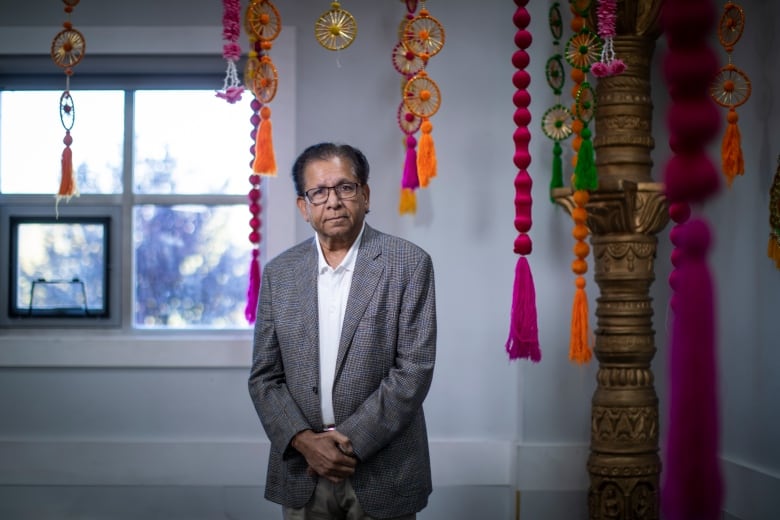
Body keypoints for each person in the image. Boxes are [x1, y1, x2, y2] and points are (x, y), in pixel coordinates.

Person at [248, 142, 437, 520]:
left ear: (365, 195)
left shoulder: (409, 263)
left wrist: (346, 443)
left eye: (345, 188)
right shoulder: (279, 274)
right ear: (304, 207)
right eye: (318, 192)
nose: (332, 201)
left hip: (384, 468)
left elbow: (413, 371)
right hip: (304, 468)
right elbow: (265, 377)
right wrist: (305, 443)